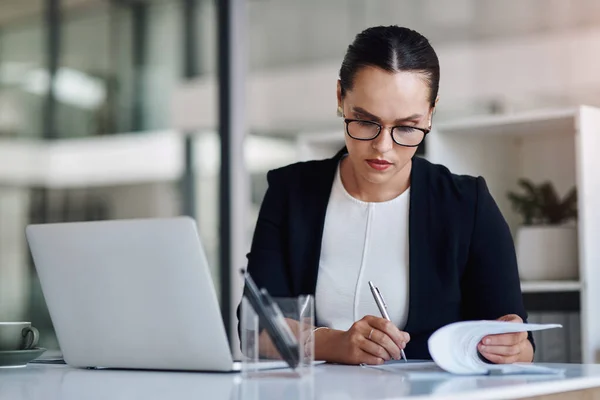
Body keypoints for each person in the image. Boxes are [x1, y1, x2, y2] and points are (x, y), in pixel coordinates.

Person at [241, 25, 534, 366]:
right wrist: (335, 344)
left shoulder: (467, 204)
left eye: (407, 128)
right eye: (365, 122)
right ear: (340, 98)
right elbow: (255, 329)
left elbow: (521, 344)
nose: (383, 147)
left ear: (431, 113)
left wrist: (512, 347)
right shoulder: (290, 192)